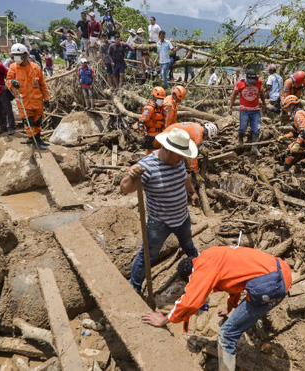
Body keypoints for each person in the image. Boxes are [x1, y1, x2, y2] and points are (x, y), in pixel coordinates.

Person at [142, 245, 292, 371]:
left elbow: (190, 302)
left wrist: (164, 319)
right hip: (278, 271)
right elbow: (236, 280)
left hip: (273, 285)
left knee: (226, 335)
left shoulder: (202, 268)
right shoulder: (212, 255)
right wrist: (230, 306)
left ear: (191, 275)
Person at [119, 128, 200, 294]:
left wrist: (192, 192)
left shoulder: (178, 161)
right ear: (169, 150)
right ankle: (134, 287)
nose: (183, 158)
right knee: (147, 256)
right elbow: (125, 189)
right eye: (180, 154)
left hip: (182, 217)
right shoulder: (147, 167)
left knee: (189, 246)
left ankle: (199, 269)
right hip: (159, 223)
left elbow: (184, 176)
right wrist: (131, 176)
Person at [6, 43, 50, 148]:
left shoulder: (36, 68)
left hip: (37, 100)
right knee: (28, 121)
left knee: (38, 121)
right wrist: (13, 83)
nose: (15, 57)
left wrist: (46, 98)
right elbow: (8, 81)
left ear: (25, 55)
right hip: (23, 100)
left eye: (18, 54)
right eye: (14, 55)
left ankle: (37, 139)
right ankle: (35, 141)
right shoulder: (13, 67)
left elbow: (42, 84)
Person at [276, 95, 305, 174]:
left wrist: (297, 143)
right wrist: (285, 137)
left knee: (290, 150)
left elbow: (304, 131)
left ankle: (285, 170)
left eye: (286, 108)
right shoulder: (300, 113)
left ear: (292, 106)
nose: (286, 111)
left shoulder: (298, 114)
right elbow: (297, 132)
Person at [228, 69, 265, 155]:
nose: (252, 83)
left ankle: (254, 148)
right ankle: (240, 140)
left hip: (255, 110)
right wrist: (230, 107)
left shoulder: (259, 82)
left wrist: (264, 104)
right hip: (244, 110)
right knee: (242, 128)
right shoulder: (240, 83)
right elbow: (234, 95)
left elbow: (262, 93)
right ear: (246, 78)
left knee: (256, 129)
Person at [138, 86, 167, 155]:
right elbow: (141, 122)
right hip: (151, 136)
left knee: (160, 155)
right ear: (154, 97)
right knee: (150, 155)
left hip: (160, 136)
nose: (161, 100)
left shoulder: (162, 108)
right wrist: (142, 133)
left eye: (162, 99)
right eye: (159, 98)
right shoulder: (149, 108)